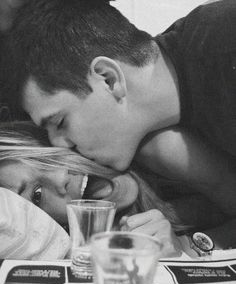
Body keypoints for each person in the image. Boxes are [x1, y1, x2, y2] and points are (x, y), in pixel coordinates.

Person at [1, 0, 236, 220]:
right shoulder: (162, 129)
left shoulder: (223, 47)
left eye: (61, 122)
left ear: (108, 78)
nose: (60, 145)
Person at [0, 121, 235, 258]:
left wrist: (188, 247)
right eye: (38, 194)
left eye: (48, 159)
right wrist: (183, 250)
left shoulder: (156, 147)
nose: (60, 177)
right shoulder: (113, 243)